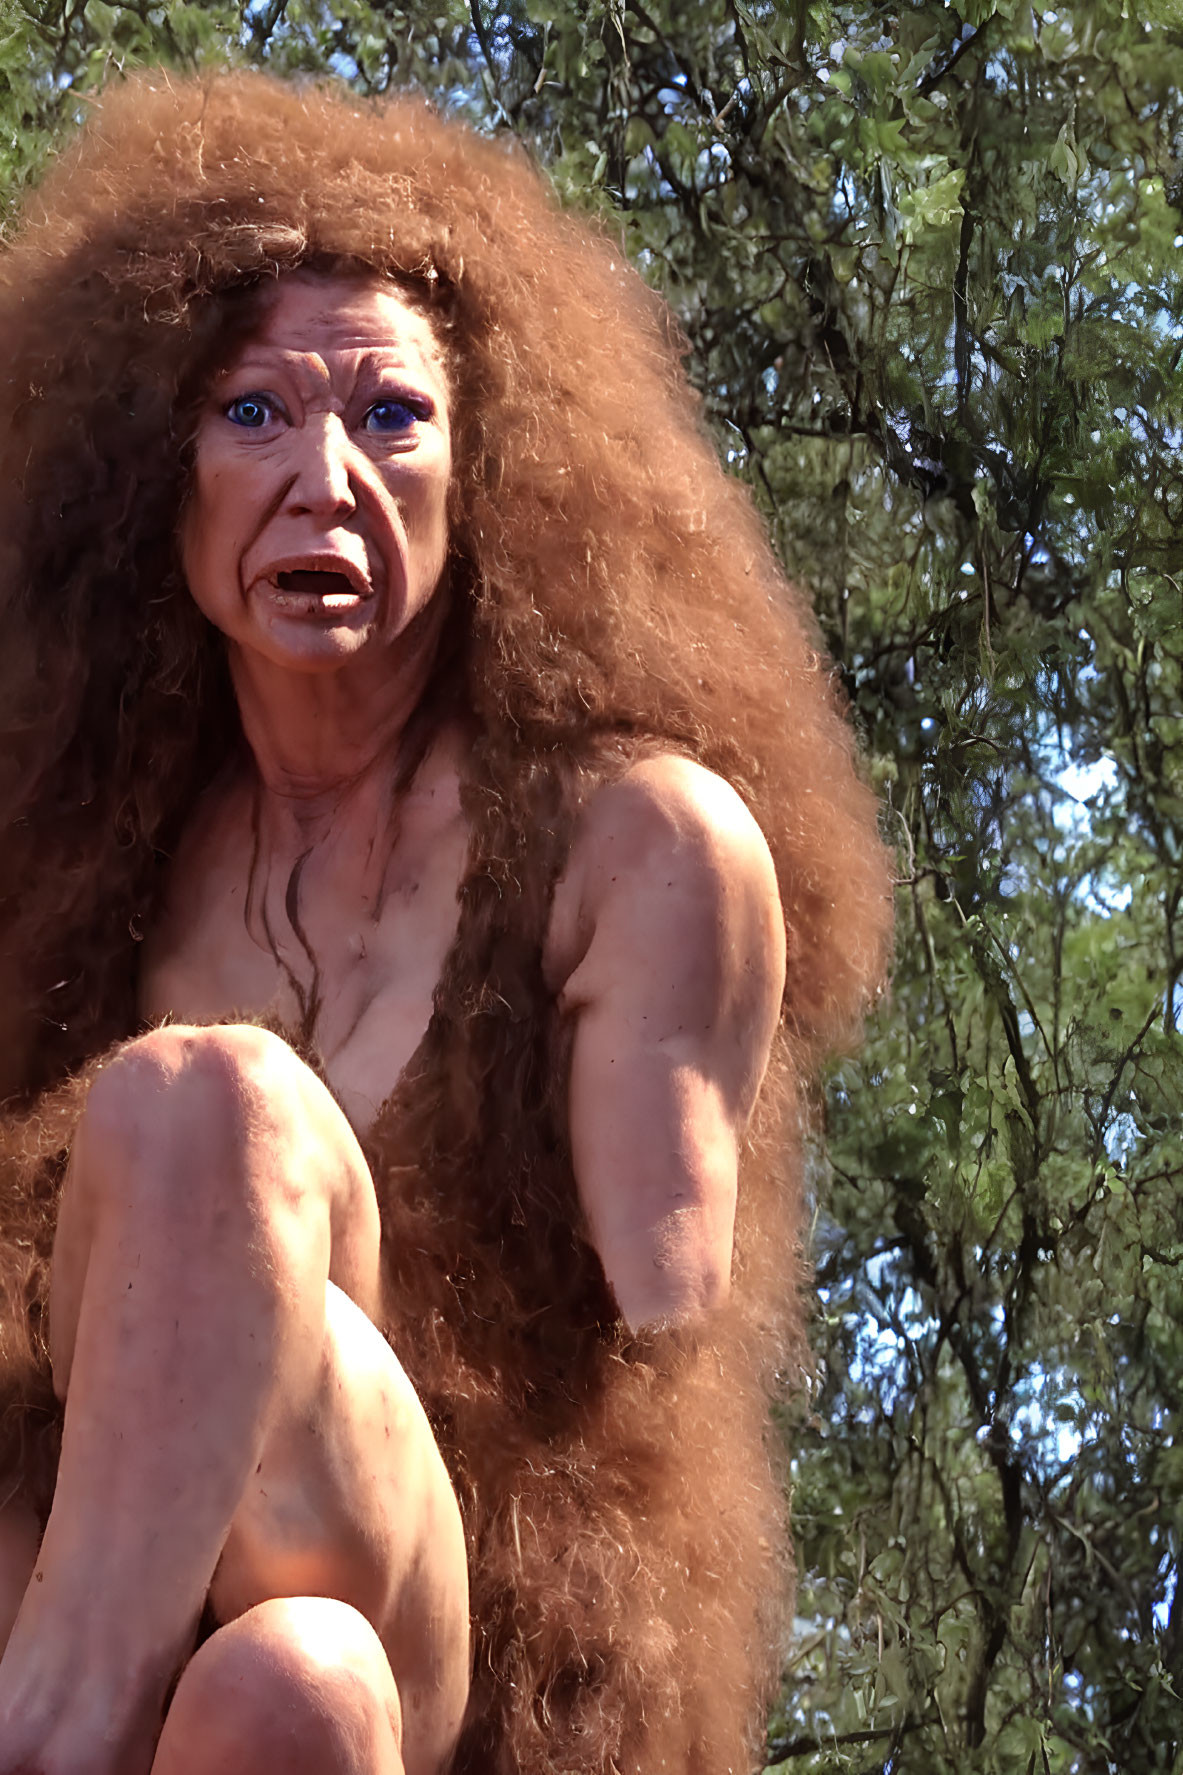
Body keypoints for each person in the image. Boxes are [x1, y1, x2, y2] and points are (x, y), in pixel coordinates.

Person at [0, 70, 892, 1775]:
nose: (324, 475)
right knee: (285, 1694)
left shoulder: (631, 848)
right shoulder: (70, 861)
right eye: (253, 414)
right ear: (147, 476)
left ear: (494, 479)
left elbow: (645, 1394)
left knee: (212, 1111)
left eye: (391, 418)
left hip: (445, 1600)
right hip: (181, 1619)